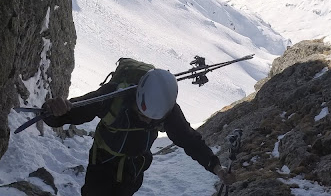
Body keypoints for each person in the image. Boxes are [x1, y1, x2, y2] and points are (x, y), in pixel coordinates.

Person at [42, 67, 237, 195]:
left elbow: (190, 140)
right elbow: (70, 113)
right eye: (144, 115)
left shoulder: (167, 110)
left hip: (134, 168)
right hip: (102, 163)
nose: (148, 121)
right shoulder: (112, 95)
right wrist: (53, 111)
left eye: (154, 119)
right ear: (137, 97)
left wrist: (216, 167)